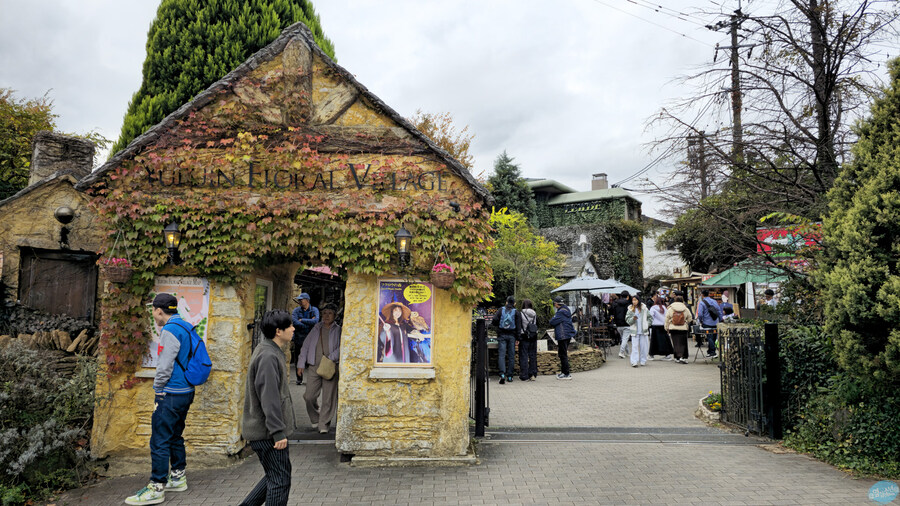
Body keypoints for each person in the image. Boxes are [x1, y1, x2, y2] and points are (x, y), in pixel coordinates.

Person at [125, 293, 197, 505]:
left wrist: (158, 389)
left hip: (171, 393)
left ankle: (156, 487)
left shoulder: (170, 330)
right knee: (175, 435)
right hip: (186, 391)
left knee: (159, 439)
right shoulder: (186, 325)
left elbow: (165, 365)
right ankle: (178, 477)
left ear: (158, 311)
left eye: (153, 311)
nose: (153, 315)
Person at [238, 310, 296, 506]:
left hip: (266, 432)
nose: (293, 329)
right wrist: (278, 432)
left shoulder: (270, 351)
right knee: (280, 480)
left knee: (275, 474)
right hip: (267, 433)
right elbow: (269, 397)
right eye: (289, 326)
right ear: (278, 331)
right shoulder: (268, 356)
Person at [297, 303, 341, 434]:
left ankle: (323, 424)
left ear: (335, 316)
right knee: (309, 396)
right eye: (324, 313)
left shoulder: (338, 330)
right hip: (314, 366)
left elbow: (343, 347)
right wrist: (300, 364)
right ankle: (315, 418)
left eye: (330, 313)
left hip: (330, 366)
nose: (326, 316)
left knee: (328, 398)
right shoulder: (316, 328)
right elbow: (305, 346)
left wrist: (331, 357)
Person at [491, 296, 521, 384]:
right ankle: (510, 376)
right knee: (511, 356)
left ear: (506, 302)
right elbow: (519, 326)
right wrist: (518, 338)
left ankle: (502, 375)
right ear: (514, 303)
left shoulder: (501, 310)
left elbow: (494, 320)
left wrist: (497, 326)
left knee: (501, 355)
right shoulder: (516, 312)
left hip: (501, 335)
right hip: (512, 336)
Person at [290, 294, 319, 385]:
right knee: (299, 358)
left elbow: (316, 321)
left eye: (301, 300)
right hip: (299, 337)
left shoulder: (314, 310)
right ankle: (299, 379)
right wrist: (308, 324)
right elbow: (295, 322)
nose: (299, 302)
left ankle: (312, 379)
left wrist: (302, 320)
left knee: (312, 358)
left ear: (307, 300)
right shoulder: (296, 310)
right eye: (299, 300)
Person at [548, 296, 576, 380]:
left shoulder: (560, 312)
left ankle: (566, 374)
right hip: (567, 335)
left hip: (562, 335)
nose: (554, 305)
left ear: (557, 303)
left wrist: (553, 317)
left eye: (554, 303)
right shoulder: (566, 310)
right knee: (562, 354)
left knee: (563, 355)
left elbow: (552, 322)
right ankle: (564, 372)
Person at [664, 295, 693, 364]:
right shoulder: (685, 308)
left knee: (676, 343)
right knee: (683, 343)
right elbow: (690, 318)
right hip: (683, 328)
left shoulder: (671, 308)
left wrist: (666, 327)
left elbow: (667, 318)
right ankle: (684, 357)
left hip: (673, 327)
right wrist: (686, 322)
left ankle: (677, 357)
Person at [626, 296, 651, 367]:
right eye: (633, 300)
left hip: (643, 331)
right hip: (634, 331)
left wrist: (647, 325)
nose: (634, 302)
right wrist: (633, 319)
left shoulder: (644, 308)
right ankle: (634, 361)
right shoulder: (630, 309)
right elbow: (627, 320)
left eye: (635, 300)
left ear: (638, 300)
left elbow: (650, 318)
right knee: (634, 347)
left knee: (644, 347)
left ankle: (643, 360)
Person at [697, 288, 723, 358]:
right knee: (714, 336)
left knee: (709, 337)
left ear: (702, 295)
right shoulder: (714, 301)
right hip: (715, 321)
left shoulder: (702, 303)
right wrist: (721, 319)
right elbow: (719, 311)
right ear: (709, 294)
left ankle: (712, 352)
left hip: (706, 322)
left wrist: (700, 321)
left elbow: (700, 314)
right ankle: (710, 351)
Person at [518, 299, 538, 381]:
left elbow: (519, 325)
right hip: (533, 335)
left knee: (524, 355)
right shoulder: (534, 313)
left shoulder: (520, 313)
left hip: (524, 335)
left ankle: (524, 375)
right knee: (533, 355)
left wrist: (518, 337)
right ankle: (532, 374)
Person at [648, 296, 673, 361]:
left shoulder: (653, 308)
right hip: (663, 326)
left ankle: (652, 355)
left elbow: (650, 316)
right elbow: (667, 316)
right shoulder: (664, 308)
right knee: (664, 341)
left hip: (655, 326)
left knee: (654, 341)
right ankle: (667, 354)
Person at [612, 290, 632, 359]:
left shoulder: (616, 304)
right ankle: (621, 352)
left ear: (621, 296)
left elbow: (613, 312)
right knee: (625, 339)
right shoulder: (629, 305)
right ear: (627, 296)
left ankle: (628, 352)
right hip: (627, 324)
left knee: (624, 338)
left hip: (618, 324)